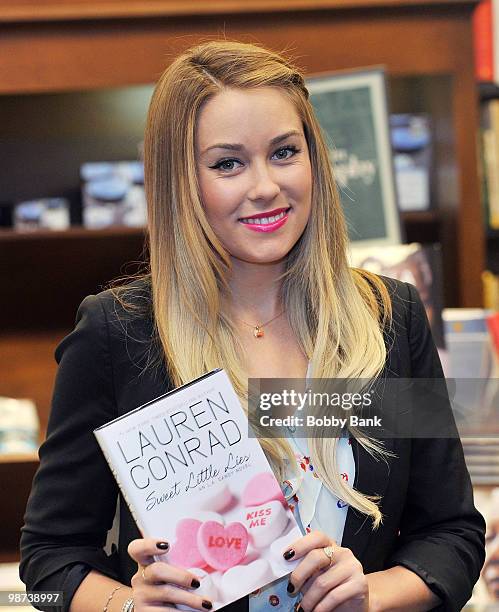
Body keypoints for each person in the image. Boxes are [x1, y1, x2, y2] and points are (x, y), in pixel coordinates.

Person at [20, 40, 485, 612]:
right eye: (227, 163)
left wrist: (371, 594)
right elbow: (43, 569)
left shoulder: (388, 319)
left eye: (285, 152)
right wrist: (128, 607)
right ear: (180, 181)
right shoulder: (119, 334)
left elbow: (454, 539)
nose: (264, 186)